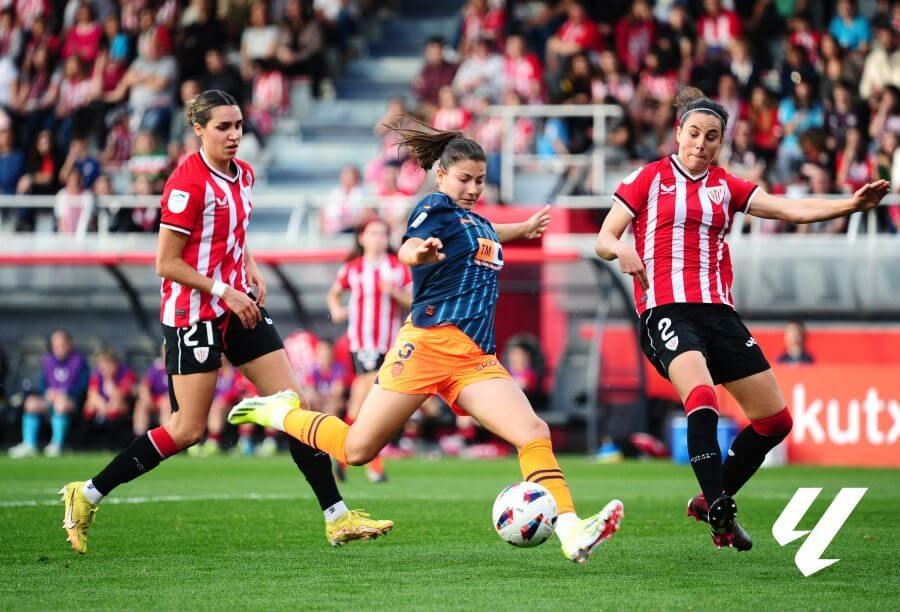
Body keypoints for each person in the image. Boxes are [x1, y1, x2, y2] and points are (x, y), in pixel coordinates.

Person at [229, 119, 624, 564]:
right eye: (464, 179)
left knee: (533, 432)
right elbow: (409, 245)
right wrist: (416, 253)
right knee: (357, 449)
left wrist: (524, 227)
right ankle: (279, 413)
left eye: (480, 180)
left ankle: (570, 530)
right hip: (427, 347)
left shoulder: (475, 223)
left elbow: (488, 232)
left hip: (474, 359)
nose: (473, 188)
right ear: (441, 175)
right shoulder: (435, 207)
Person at [58, 89, 392, 555]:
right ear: (198, 129)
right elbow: (166, 263)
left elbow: (233, 233)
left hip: (239, 306)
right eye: (223, 127)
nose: (235, 135)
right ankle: (88, 493)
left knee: (294, 406)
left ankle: (337, 517)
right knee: (187, 429)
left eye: (238, 125)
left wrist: (248, 267)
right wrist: (223, 290)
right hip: (194, 313)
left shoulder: (244, 173)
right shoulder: (186, 184)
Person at [595, 86, 889, 551]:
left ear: (721, 142)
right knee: (702, 396)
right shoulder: (649, 178)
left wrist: (850, 205)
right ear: (678, 132)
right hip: (665, 310)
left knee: (775, 422)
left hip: (719, 314)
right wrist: (622, 248)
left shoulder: (725, 185)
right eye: (694, 133)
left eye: (712, 137)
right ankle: (721, 510)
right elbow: (604, 238)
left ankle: (710, 500)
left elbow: (789, 209)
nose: (701, 144)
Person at [327, 217, 412, 482]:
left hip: (392, 344)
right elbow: (334, 293)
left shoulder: (398, 267)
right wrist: (336, 309)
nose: (378, 238)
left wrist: (394, 293)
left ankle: (342, 455)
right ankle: (372, 464)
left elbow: (412, 300)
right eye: (373, 233)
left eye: (382, 233)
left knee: (360, 401)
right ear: (362, 238)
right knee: (368, 397)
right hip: (364, 343)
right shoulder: (353, 268)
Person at [9, 330, 89, 458]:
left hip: (71, 401)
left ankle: (57, 445)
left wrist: (64, 393)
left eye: (62, 345)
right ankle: (29, 444)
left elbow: (83, 386)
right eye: (56, 346)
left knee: (60, 404)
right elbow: (42, 384)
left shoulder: (79, 361)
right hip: (50, 399)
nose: (59, 349)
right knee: (31, 403)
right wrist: (47, 392)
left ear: (69, 344)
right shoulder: (48, 361)